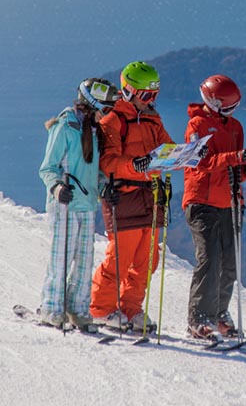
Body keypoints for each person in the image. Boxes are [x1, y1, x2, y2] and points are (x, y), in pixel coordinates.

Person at [89, 61, 174, 331]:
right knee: (120, 258)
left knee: (147, 259)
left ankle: (130, 308)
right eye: (146, 95)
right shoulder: (113, 120)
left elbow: (167, 148)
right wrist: (133, 164)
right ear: (128, 90)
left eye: (155, 95)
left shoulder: (152, 119)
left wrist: (185, 155)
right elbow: (108, 162)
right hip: (123, 195)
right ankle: (101, 309)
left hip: (150, 195)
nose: (151, 101)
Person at [38, 77, 120, 330]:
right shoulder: (64, 127)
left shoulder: (94, 131)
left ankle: (78, 308)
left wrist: (105, 187)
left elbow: (94, 171)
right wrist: (57, 187)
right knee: (60, 260)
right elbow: (48, 168)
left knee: (84, 262)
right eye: (105, 107)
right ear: (93, 102)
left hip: (86, 205)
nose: (108, 111)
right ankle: (52, 308)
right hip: (64, 204)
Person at [183, 74, 246, 338]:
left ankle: (219, 312)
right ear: (213, 102)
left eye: (234, 107)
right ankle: (199, 318)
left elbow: (231, 168)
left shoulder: (235, 127)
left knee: (230, 262)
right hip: (202, 200)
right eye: (227, 107)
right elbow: (200, 162)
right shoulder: (197, 125)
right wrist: (235, 157)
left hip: (229, 200)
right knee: (210, 259)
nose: (232, 112)